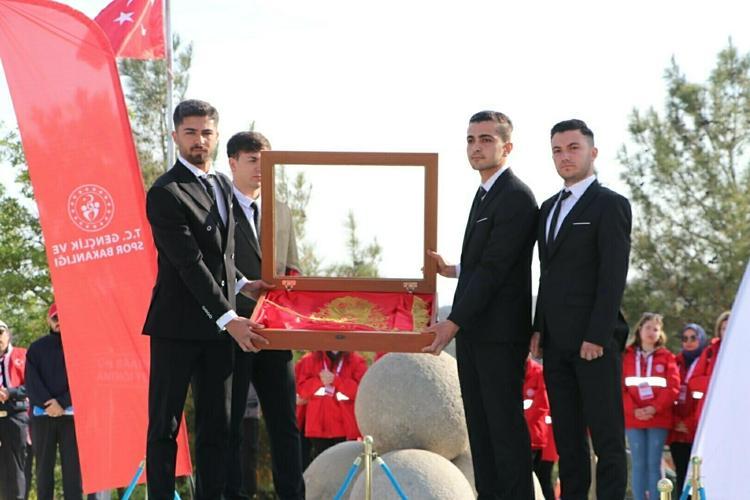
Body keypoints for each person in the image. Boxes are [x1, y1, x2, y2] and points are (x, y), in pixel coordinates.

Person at [142, 100, 270, 500]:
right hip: (176, 329)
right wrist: (230, 318)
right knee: (165, 427)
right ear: (176, 135)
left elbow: (221, 256)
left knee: (218, 427)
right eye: (191, 132)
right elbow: (189, 263)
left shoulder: (222, 186)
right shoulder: (165, 192)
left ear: (216, 136)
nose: (199, 140)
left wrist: (244, 284)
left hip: (217, 333)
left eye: (206, 132)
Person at [424, 110, 538, 499]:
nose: (476, 147)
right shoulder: (485, 192)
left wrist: (451, 322)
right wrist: (452, 269)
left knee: (504, 433)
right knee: (481, 435)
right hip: (476, 333)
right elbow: (484, 262)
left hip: (500, 336)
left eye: (486, 139)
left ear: (507, 147)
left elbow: (495, 269)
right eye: (471, 139)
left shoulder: (516, 196)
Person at [530, 119, 632, 500]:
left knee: (607, 439)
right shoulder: (547, 208)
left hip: (595, 344)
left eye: (573, 148)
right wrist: (539, 327)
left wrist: (597, 335)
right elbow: (547, 274)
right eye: (557, 150)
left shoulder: (610, 205)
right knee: (568, 440)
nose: (565, 156)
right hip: (556, 344)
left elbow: (612, 276)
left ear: (593, 152)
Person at [224, 131, 305, 500]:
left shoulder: (282, 210)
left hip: (276, 332)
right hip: (232, 329)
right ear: (233, 163)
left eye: (266, 160)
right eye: (253, 160)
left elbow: (294, 269)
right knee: (231, 424)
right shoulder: (217, 207)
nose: (261, 167)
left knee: (285, 424)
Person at [24, 303, 84, 500]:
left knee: (74, 473)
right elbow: (31, 381)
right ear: (48, 321)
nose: (59, 322)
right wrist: (49, 403)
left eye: (63, 317)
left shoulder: (80, 346)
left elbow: (84, 379)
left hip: (72, 419)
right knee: (43, 472)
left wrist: (63, 402)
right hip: (43, 418)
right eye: (55, 318)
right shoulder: (36, 348)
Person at [622, 313, 679, 500]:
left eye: (656, 329)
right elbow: (619, 387)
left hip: (658, 418)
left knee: (654, 463)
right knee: (638, 464)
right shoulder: (627, 356)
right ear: (639, 329)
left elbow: (673, 387)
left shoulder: (667, 357)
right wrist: (633, 410)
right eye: (648, 327)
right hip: (634, 418)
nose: (651, 332)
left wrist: (655, 407)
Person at [295, 351, 367, 460]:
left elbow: (361, 391)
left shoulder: (356, 361)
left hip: (345, 429)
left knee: (344, 464)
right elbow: (301, 390)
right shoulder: (309, 360)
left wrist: (336, 380)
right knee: (322, 465)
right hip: (318, 429)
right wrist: (319, 381)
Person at [668, 322, 708, 496]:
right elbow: (669, 393)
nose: (689, 342)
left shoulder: (707, 362)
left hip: (697, 430)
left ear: (702, 339)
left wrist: (689, 423)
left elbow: (706, 398)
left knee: (698, 476)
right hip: (677, 431)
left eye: (693, 338)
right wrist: (677, 422)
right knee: (681, 474)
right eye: (685, 338)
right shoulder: (675, 362)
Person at [0, 320, 29, 500]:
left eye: (0, 333)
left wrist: (10, 392)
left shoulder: (22, 355)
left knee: (16, 466)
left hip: (15, 413)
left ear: (8, 334)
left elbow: (33, 385)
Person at [687, 311, 730, 429]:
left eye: (731, 327)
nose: (728, 331)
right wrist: (717, 381)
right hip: (711, 413)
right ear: (719, 331)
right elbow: (693, 382)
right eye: (724, 328)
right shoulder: (710, 352)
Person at [522, 356, 555, 500]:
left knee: (542, 480)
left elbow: (542, 405)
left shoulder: (539, 372)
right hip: (523, 437)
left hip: (536, 438)